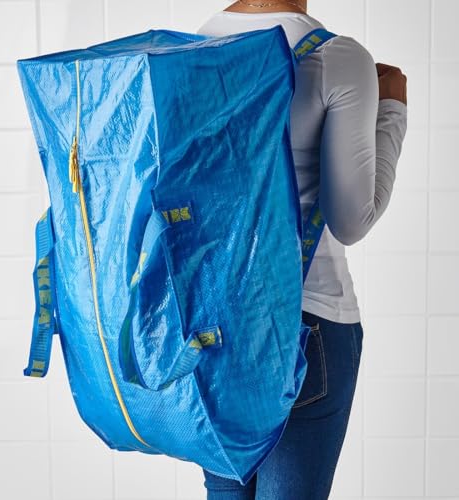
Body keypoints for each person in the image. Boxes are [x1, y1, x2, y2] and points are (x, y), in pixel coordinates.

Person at [196, 1, 408, 499]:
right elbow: (351, 220)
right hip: (306, 325)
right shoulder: (337, 57)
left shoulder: (195, 45)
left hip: (213, 331)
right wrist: (392, 111)